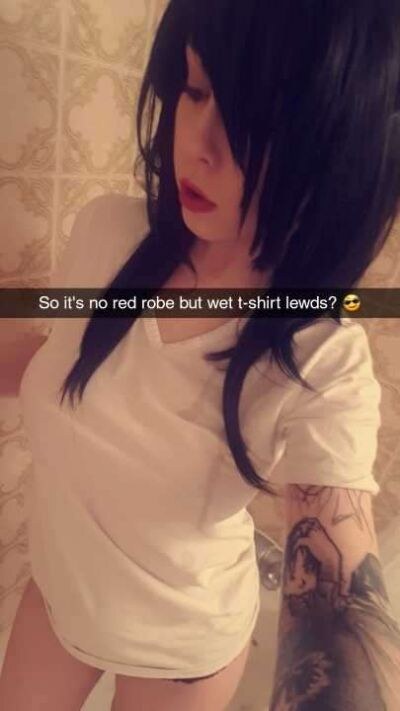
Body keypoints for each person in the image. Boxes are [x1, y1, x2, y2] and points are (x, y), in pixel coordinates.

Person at [1, 1, 400, 709]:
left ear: (337, 148)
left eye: (251, 120)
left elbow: (339, 589)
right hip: (57, 598)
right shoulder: (105, 232)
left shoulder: (321, 357)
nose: (199, 143)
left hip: (181, 654)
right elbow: (58, 362)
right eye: (194, 90)